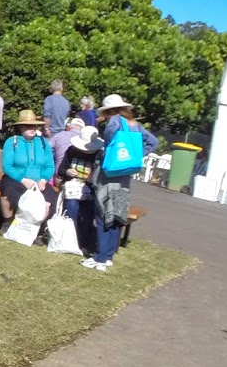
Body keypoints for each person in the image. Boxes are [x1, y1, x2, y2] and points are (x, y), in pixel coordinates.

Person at [85, 94, 158, 272]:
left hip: (109, 173)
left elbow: (110, 144)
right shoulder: (135, 125)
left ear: (109, 110)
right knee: (117, 215)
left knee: (102, 215)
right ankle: (109, 255)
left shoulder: (113, 124)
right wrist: (135, 156)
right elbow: (153, 142)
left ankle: (100, 258)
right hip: (124, 175)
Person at [0, 110, 56, 227]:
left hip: (39, 181)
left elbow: (50, 166)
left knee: (48, 201)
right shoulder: (12, 142)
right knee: (7, 194)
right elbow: (7, 166)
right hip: (16, 179)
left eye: (34, 125)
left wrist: (44, 179)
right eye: (29, 126)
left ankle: (34, 229)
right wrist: (23, 180)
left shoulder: (43, 143)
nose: (33, 128)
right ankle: (8, 224)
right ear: (21, 127)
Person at [56, 123, 102, 255]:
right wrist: (68, 172)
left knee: (87, 212)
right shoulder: (72, 150)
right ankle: (70, 239)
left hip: (90, 189)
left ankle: (83, 241)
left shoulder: (99, 155)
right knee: (72, 206)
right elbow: (61, 170)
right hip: (72, 187)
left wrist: (92, 178)